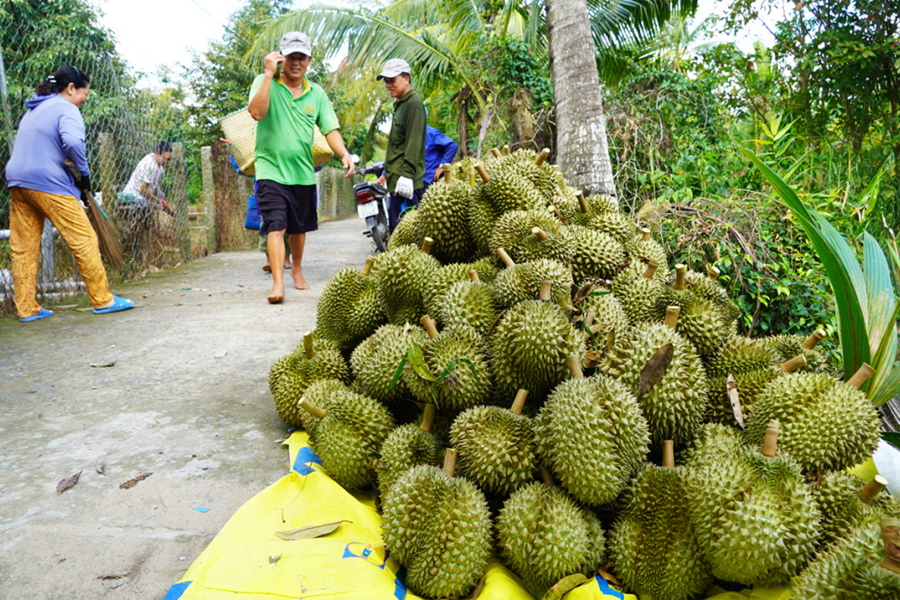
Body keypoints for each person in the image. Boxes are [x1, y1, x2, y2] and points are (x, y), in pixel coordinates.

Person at [5, 66, 134, 322]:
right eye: (84, 95)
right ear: (71, 88)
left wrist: (75, 184)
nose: (84, 101)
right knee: (83, 238)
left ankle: (27, 308)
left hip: (18, 180)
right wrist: (84, 176)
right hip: (47, 182)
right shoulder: (66, 108)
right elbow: (73, 143)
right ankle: (103, 300)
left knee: (24, 247)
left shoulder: (34, 109)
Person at [248, 31, 355, 304]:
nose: (296, 62)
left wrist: (344, 154)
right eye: (291, 57)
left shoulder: (316, 93)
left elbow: (330, 128)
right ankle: (278, 283)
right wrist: (269, 74)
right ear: (281, 58)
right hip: (270, 170)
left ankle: (296, 269)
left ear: (309, 60)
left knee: (298, 229)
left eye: (302, 57)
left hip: (303, 173)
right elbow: (257, 112)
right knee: (275, 226)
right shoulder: (264, 81)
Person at [374, 59, 426, 232]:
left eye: (392, 80)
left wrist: (407, 175)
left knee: (408, 234)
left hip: (406, 185)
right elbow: (398, 146)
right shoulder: (401, 104)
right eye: (386, 81)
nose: (388, 85)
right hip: (397, 182)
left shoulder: (413, 105)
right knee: (397, 233)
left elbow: (413, 143)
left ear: (406, 79)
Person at [118, 141, 173, 262]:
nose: (168, 162)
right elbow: (142, 189)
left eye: (170, 159)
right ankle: (139, 256)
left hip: (144, 198)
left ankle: (145, 253)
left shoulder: (159, 164)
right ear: (158, 154)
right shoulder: (149, 165)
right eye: (167, 159)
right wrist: (156, 200)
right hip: (134, 197)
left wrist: (158, 190)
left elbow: (154, 181)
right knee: (145, 227)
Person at [423, 122, 458, 191]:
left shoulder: (430, 132)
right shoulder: (409, 132)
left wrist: (442, 166)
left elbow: (452, 146)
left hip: (429, 178)